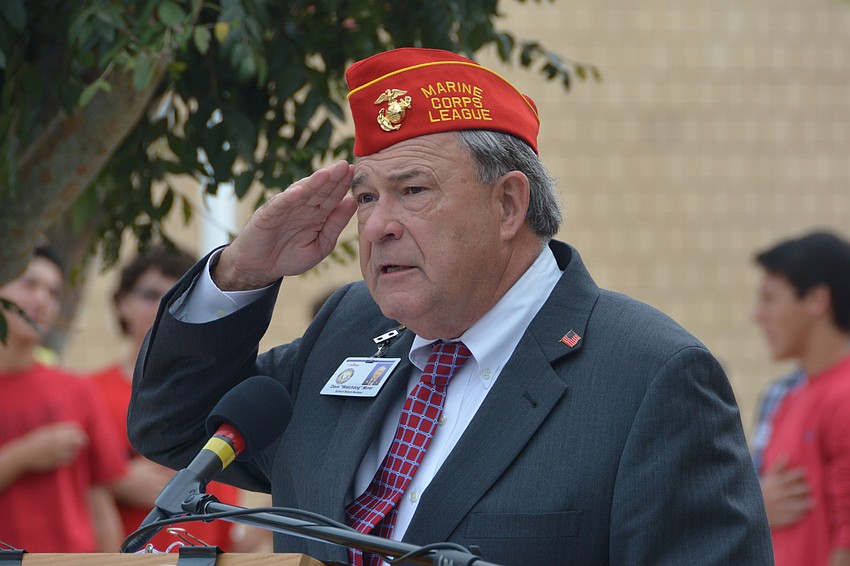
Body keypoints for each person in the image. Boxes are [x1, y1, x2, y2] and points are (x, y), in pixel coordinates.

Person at [129, 47, 773, 565]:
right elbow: (174, 429)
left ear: (508, 205)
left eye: (412, 190)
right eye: (366, 196)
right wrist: (241, 273)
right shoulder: (350, 327)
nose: (378, 226)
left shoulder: (651, 377)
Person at [88, 243, 269, 551]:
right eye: (151, 295)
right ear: (121, 303)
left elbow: (229, 536)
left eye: (178, 297)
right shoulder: (88, 392)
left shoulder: (224, 400)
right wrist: (113, 480)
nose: (164, 308)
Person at [0, 247, 127, 552]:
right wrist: (26, 453)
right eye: (29, 283)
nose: (41, 299)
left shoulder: (77, 390)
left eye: (53, 292)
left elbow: (100, 503)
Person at [752, 231, 850, 566]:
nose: (758, 315)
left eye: (770, 298)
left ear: (817, 301)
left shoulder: (843, 397)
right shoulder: (787, 399)